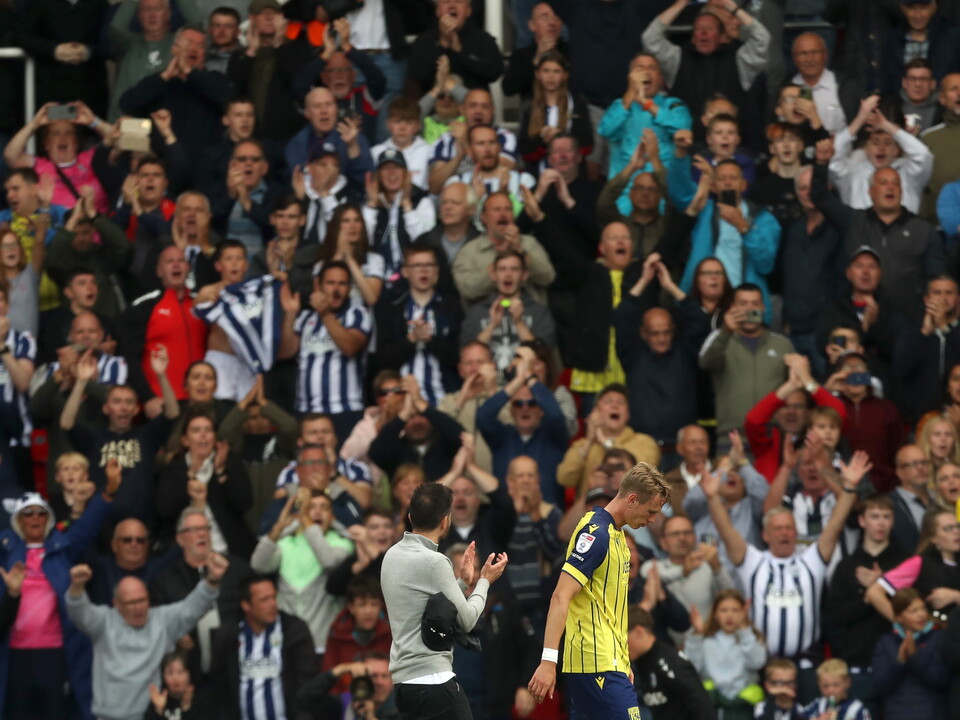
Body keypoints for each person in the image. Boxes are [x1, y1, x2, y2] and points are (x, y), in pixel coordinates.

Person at [527, 462, 671, 717]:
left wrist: (623, 659)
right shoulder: (597, 534)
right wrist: (548, 661)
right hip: (596, 663)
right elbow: (560, 596)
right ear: (632, 498)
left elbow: (608, 607)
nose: (652, 519)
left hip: (608, 662)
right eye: (650, 511)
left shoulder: (617, 538)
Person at [703, 450, 871, 666]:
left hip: (807, 660)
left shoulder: (812, 560)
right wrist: (712, 497)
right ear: (765, 535)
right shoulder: (753, 561)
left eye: (788, 528)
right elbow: (726, 531)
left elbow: (835, 525)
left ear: (795, 533)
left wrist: (849, 488)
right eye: (778, 528)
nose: (784, 533)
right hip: (761, 661)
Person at [380, 482, 508, 719]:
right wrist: (485, 581)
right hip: (434, 682)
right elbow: (467, 620)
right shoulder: (434, 561)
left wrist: (461, 583)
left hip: (403, 684)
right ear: (445, 521)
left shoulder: (391, 555)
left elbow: (425, 604)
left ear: (410, 517)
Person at [0, 469, 120, 720]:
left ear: (49, 520)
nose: (35, 518)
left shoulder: (63, 547)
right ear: (19, 521)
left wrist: (107, 492)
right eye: (28, 514)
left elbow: (87, 526)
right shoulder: (5, 551)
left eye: (41, 513)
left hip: (54, 651)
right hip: (14, 652)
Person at [65, 551, 227, 720]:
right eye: (131, 602)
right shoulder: (104, 621)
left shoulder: (163, 620)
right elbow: (79, 612)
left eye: (142, 600)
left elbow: (192, 608)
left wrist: (212, 580)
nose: (138, 607)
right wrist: (77, 587)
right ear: (116, 604)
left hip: (152, 715)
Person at [811, 137, 945, 315]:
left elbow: (936, 278)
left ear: (901, 191)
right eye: (883, 183)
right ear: (871, 192)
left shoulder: (922, 229)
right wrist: (821, 162)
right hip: (858, 319)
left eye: (895, 184)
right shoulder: (854, 220)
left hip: (907, 320)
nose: (890, 188)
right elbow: (820, 197)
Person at [823, 494, 909, 713]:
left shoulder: (905, 563)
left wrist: (882, 588)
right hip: (857, 665)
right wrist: (870, 597)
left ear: (893, 521)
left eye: (886, 516)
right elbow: (834, 615)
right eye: (874, 516)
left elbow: (913, 611)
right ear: (862, 521)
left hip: (899, 661)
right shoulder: (847, 566)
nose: (880, 523)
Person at [148, 507, 250, 681]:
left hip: (236, 667)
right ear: (180, 539)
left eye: (205, 528)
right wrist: (174, 633)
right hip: (189, 673)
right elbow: (154, 621)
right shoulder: (165, 579)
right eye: (194, 530)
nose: (202, 534)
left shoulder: (236, 569)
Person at [642, 0, 770, 126]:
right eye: (698, 29)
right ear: (693, 36)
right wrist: (680, 4)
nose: (703, 33)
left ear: (720, 35)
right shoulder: (677, 57)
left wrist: (733, 7)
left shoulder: (739, 59)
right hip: (686, 141)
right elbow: (650, 38)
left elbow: (763, 38)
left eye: (709, 28)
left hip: (729, 143)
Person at [210, 573, 318, 720]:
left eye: (273, 597)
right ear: (246, 605)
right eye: (264, 600)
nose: (272, 604)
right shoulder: (228, 636)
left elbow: (307, 684)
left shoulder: (294, 630)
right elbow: (220, 687)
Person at [119, 25, 232, 160]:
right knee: (127, 127)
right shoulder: (159, 80)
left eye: (200, 45)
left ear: (205, 54)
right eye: (187, 43)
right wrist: (165, 76)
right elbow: (127, 104)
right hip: (160, 168)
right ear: (174, 49)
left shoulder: (215, 79)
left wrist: (189, 71)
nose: (193, 48)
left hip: (202, 167)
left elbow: (228, 99)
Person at [698, 283, 794, 439]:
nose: (749, 309)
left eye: (755, 304)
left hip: (772, 436)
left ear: (763, 308)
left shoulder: (782, 344)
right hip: (731, 436)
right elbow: (705, 363)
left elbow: (795, 389)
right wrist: (726, 331)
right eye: (743, 304)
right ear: (732, 308)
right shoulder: (720, 339)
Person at [476, 347, 568, 505]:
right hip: (508, 519)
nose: (525, 408)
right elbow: (483, 417)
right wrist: (517, 381)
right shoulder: (502, 437)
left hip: (548, 520)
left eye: (532, 403)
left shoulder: (553, 436)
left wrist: (529, 377)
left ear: (541, 410)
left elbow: (555, 415)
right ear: (511, 411)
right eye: (518, 404)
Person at [376, 243, 461, 406]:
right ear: (405, 272)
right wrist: (411, 339)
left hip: (444, 400)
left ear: (437, 271)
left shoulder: (451, 307)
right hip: (400, 402)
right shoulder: (392, 308)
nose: (423, 270)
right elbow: (382, 360)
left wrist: (430, 341)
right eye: (416, 266)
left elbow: (458, 357)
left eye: (429, 265)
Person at [450, 191, 555, 307]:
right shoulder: (469, 251)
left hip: (529, 318)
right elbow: (468, 290)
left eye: (508, 209)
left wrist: (521, 253)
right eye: (496, 209)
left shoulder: (528, 243)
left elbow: (548, 277)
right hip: (486, 321)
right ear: (484, 217)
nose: (503, 214)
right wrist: (497, 262)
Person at [557, 383, 660, 497]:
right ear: (595, 411)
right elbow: (564, 479)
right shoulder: (581, 445)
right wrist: (588, 442)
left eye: (621, 402)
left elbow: (643, 475)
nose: (615, 406)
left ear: (628, 413)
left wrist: (604, 441)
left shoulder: (644, 442)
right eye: (608, 402)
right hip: (591, 511)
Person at [684, 589, 766, 720]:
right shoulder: (705, 640)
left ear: (744, 613)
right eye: (723, 610)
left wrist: (744, 632)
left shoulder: (752, 638)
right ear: (715, 614)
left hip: (743, 706)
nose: (730, 615)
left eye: (735, 610)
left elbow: (757, 663)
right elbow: (692, 668)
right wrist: (697, 634)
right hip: (712, 705)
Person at [871, 587, 950, 720]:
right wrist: (899, 662)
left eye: (923, 608)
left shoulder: (938, 638)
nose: (921, 615)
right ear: (899, 617)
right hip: (897, 713)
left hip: (931, 713)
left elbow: (941, 679)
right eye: (913, 611)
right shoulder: (886, 642)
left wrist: (915, 655)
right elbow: (879, 684)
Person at [625, 605, 715, 720]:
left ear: (639, 631)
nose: (621, 646)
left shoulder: (669, 662)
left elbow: (701, 705)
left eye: (623, 638)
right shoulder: (641, 662)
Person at [405, 0, 504, 97]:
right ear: (437, 11)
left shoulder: (483, 39)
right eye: (446, 2)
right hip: (435, 108)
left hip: (472, 109)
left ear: (468, 11)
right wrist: (442, 45)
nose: (452, 5)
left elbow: (495, 72)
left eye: (458, 1)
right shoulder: (424, 40)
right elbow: (418, 75)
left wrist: (460, 51)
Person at [919, 72, 960, 222]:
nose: (959, 93)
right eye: (953, 89)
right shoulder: (929, 137)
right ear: (942, 98)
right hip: (936, 225)